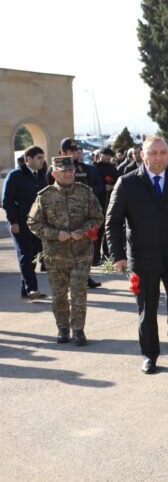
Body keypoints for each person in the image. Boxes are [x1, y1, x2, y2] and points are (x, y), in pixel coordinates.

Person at [105, 136, 168, 376]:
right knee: (147, 311)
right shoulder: (127, 183)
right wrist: (118, 255)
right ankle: (149, 355)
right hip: (143, 258)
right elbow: (113, 221)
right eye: (153, 153)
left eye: (162, 153)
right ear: (142, 155)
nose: (158, 158)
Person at [27, 157, 104, 345]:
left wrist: (83, 231)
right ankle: (63, 329)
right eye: (65, 171)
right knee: (59, 295)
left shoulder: (85, 193)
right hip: (55, 256)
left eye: (71, 170)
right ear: (54, 174)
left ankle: (78, 330)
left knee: (79, 293)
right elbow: (33, 222)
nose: (70, 174)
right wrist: (55, 234)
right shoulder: (44, 196)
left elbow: (97, 218)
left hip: (81, 253)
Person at [55, 138, 103, 288]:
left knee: (84, 248)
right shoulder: (55, 169)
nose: (75, 153)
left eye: (76, 151)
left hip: (82, 214)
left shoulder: (84, 168)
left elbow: (96, 186)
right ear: (63, 153)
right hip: (63, 215)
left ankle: (85, 277)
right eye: (71, 151)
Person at [2, 145, 48, 300]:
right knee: (25, 255)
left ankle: (25, 289)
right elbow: (7, 201)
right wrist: (13, 221)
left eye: (43, 157)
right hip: (20, 223)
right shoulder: (15, 175)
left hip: (37, 224)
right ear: (28, 159)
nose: (42, 161)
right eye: (39, 158)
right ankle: (32, 289)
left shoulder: (41, 176)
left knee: (33, 255)